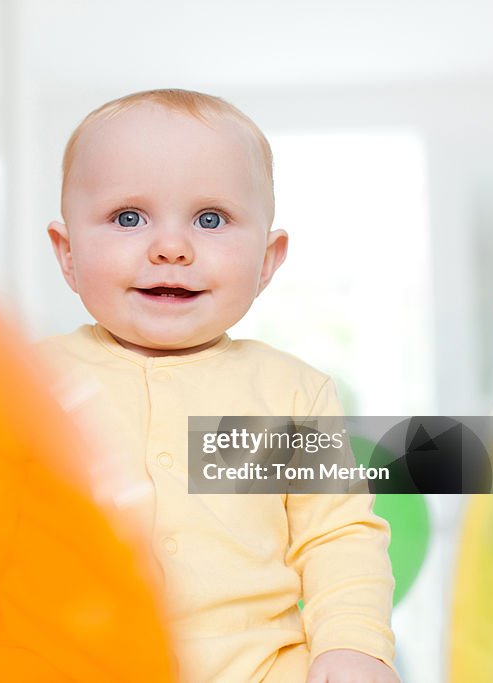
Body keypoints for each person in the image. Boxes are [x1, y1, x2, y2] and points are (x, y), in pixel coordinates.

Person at [38, 88, 399, 682]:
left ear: (266, 260)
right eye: (129, 217)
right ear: (68, 253)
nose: (171, 248)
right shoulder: (31, 384)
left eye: (211, 219)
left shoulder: (290, 395)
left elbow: (336, 535)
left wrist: (355, 646)